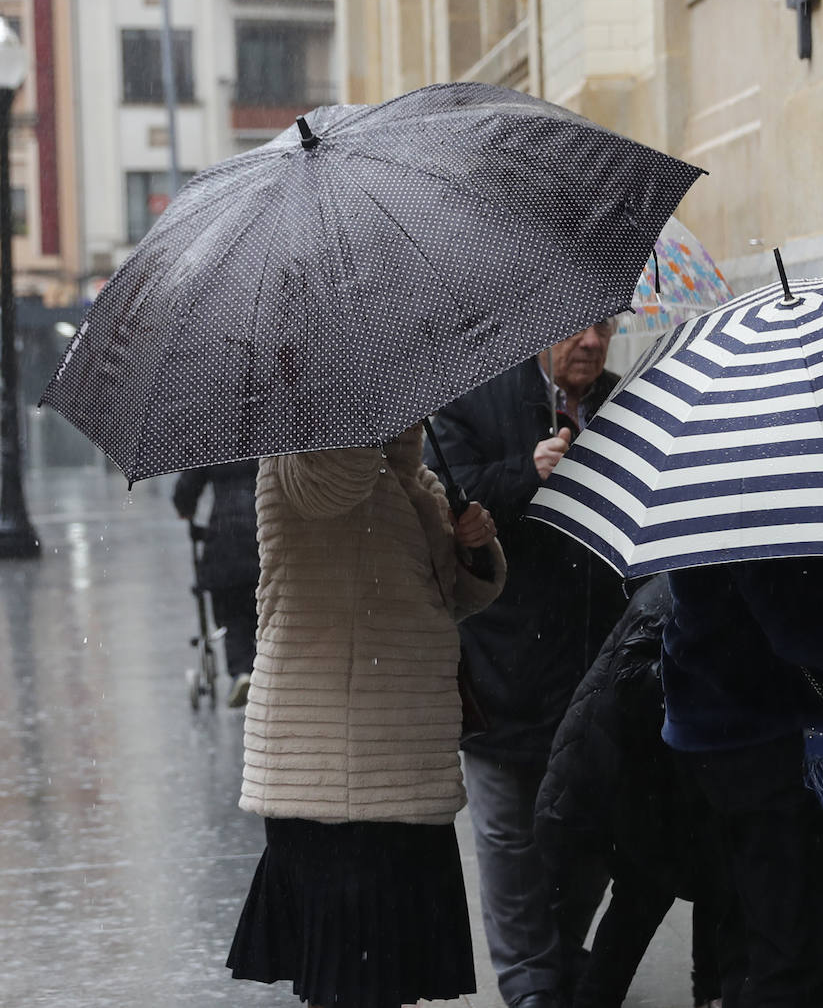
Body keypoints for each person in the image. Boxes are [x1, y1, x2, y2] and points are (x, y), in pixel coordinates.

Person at [226, 425, 506, 1008]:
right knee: (349, 985)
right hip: (334, 773)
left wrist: (471, 543)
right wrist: (363, 418)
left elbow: (446, 597)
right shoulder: (301, 456)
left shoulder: (409, 475)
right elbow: (334, 490)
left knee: (384, 983)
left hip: (404, 764)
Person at [426, 319, 626, 1008]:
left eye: (607, 326)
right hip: (503, 669)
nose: (594, 342)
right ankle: (532, 989)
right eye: (579, 329)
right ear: (541, 332)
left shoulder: (622, 403)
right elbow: (445, 501)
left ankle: (562, 957)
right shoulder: (471, 400)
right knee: (509, 843)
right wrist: (526, 473)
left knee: (589, 835)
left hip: (596, 674)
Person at [663, 556, 823, 1008]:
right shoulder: (772, 504)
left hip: (709, 730)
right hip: (771, 740)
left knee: (748, 938)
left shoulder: (707, 498)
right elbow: (798, 616)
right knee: (796, 950)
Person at [535, 575, 722, 1008]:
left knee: (691, 892)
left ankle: (708, 993)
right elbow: (632, 679)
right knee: (644, 900)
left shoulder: (690, 585)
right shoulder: (677, 589)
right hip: (636, 783)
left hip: (657, 781)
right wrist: (711, 669)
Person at [172, 459, 260, 707]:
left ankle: (243, 672)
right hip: (263, 532)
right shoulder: (269, 433)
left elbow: (185, 491)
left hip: (224, 539)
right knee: (266, 609)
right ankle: (266, 667)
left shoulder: (211, 437)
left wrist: (185, 508)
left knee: (232, 616)